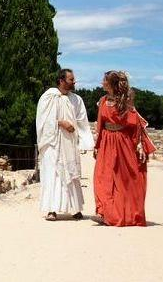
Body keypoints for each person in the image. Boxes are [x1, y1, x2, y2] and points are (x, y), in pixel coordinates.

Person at [93, 70, 155, 227]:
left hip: (123, 142)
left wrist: (139, 144)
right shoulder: (102, 101)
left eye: (104, 80)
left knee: (124, 180)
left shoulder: (126, 103)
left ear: (112, 84)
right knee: (103, 178)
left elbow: (136, 125)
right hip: (107, 141)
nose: (101, 82)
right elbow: (100, 125)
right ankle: (108, 212)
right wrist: (97, 145)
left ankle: (125, 215)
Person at [36, 69, 94, 221]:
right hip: (52, 143)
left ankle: (75, 208)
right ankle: (51, 209)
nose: (74, 82)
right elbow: (42, 120)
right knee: (53, 174)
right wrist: (60, 123)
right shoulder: (48, 97)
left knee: (71, 173)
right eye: (71, 80)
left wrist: (84, 139)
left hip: (69, 142)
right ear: (61, 81)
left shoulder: (76, 99)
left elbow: (82, 121)